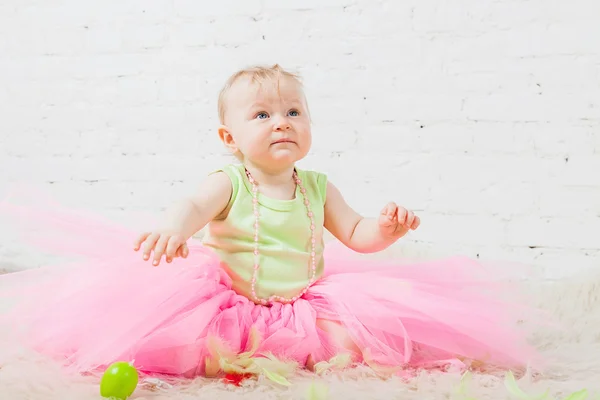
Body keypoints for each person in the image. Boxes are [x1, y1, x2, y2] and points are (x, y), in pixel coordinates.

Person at [0, 64, 540, 381]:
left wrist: (385, 229)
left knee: (358, 346)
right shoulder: (229, 180)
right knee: (197, 350)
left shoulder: (318, 186)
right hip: (232, 300)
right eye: (262, 115)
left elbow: (355, 234)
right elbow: (190, 206)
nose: (281, 122)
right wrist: (174, 228)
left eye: (293, 112)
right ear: (229, 138)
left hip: (304, 302)